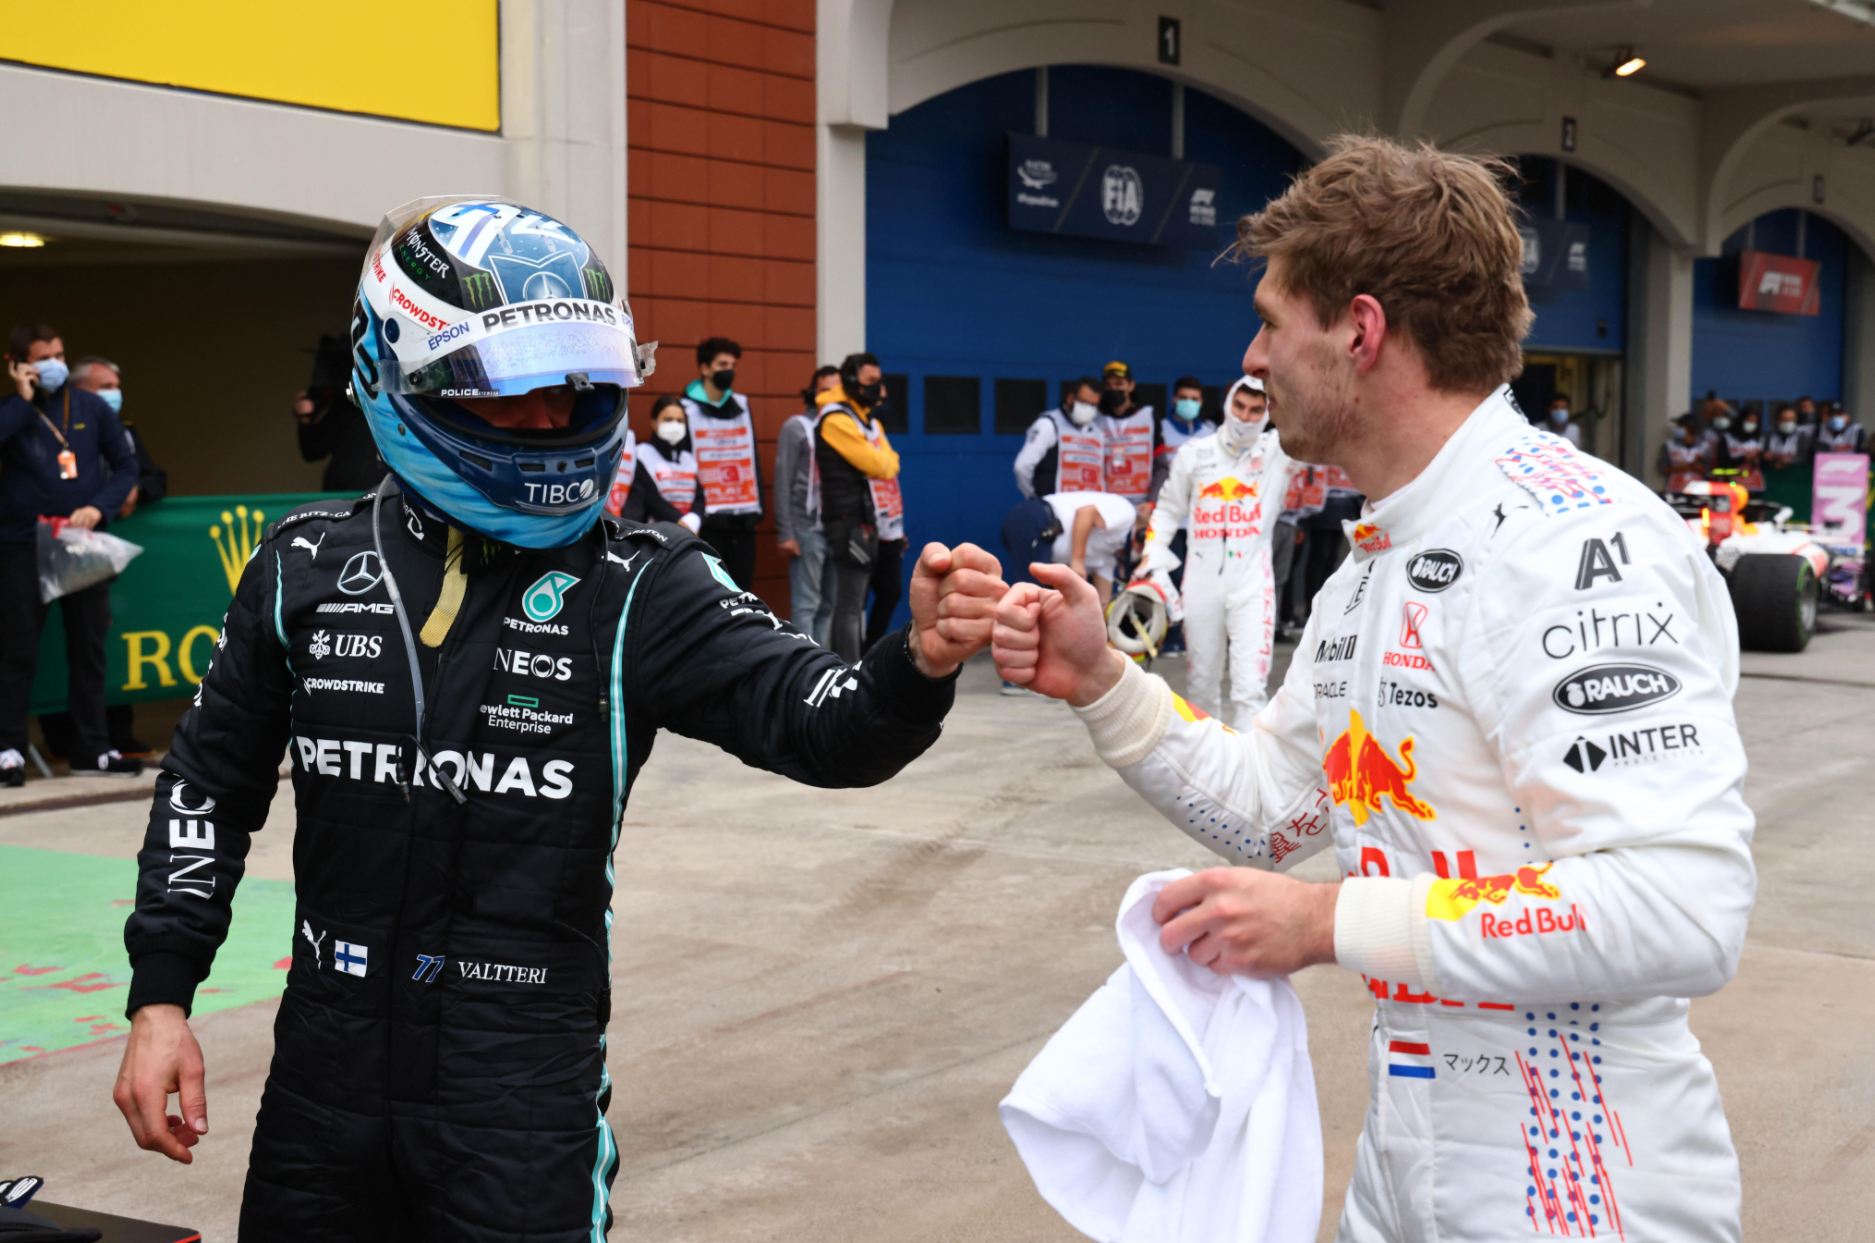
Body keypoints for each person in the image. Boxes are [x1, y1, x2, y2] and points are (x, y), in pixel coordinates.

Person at [111, 197, 1006, 1242]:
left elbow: (825, 723)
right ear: (399, 379)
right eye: (509, 394)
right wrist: (161, 996)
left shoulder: (640, 579)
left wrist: (919, 656)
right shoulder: (302, 563)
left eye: (574, 389)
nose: (549, 422)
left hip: (519, 1093)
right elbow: (208, 788)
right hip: (322, 1079)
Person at [993, 136, 1754, 1243]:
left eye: (1269, 320)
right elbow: (1272, 809)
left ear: (1360, 329)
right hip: (1404, 1167)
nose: (1252, 357)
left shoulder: (1576, 542)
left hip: (1586, 1191)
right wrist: (1104, 681)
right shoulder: (1373, 563)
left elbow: (1680, 905)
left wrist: (1327, 920)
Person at [0, 323, 143, 785]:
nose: (56, 364)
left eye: (60, 354)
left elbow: (126, 466)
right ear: (18, 365)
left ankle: (93, 748)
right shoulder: (12, 410)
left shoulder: (90, 408)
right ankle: (8, 751)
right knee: (17, 650)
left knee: (88, 647)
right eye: (44, 358)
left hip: (79, 542)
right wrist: (22, 400)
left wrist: (97, 509)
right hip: (23, 542)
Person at [1135, 376, 1292, 728]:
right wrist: (1152, 551)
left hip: (1253, 585)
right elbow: (1167, 510)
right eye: (1239, 406)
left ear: (1268, 411)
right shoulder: (1195, 453)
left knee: (1250, 688)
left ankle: (1248, 775)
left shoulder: (1278, 451)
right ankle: (1208, 773)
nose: (1245, 417)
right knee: (1201, 687)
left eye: (1256, 409)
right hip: (1201, 583)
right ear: (1226, 404)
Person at [814, 352, 905, 663]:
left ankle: (868, 658)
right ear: (852, 382)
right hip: (849, 519)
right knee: (851, 603)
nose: (876, 388)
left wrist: (883, 462)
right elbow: (877, 463)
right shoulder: (835, 419)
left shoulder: (870, 421)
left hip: (876, 519)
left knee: (888, 591)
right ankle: (849, 670)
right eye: (870, 382)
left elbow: (892, 464)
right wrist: (882, 462)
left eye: (878, 382)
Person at [681, 337, 763, 590]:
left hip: (743, 518)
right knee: (709, 592)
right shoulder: (684, 408)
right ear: (704, 368)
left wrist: (757, 510)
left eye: (733, 365)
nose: (729, 370)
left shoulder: (742, 404)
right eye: (722, 364)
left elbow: (752, 456)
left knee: (743, 594)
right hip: (708, 522)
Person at [776, 366, 841, 643]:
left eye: (836, 391)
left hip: (837, 529)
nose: (831, 397)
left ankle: (823, 666)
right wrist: (786, 532)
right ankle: (805, 670)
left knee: (829, 604)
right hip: (806, 529)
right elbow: (782, 479)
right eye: (825, 390)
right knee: (806, 604)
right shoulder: (797, 426)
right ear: (814, 393)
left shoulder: (844, 430)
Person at [295, 335, 385, 493]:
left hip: (380, 495)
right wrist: (305, 419)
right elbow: (313, 451)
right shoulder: (341, 409)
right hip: (341, 495)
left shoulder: (390, 405)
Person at [624, 395, 706, 532]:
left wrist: (694, 520)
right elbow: (649, 497)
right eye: (668, 419)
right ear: (654, 423)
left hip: (688, 533)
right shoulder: (641, 453)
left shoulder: (688, 459)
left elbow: (700, 496)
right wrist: (679, 521)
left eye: (680, 421)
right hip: (654, 533)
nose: (675, 424)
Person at [1014, 377, 1104, 498]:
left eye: (1093, 405)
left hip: (1088, 510)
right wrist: (1034, 496)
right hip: (1055, 509)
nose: (1088, 408)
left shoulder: (1097, 432)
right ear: (1070, 398)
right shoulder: (1049, 424)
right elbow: (1022, 466)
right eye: (1084, 403)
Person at [1095, 360, 1159, 506]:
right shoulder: (1095, 418)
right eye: (1108, 385)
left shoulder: (1148, 416)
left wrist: (1151, 502)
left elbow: (1161, 466)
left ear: (1131, 385)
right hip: (1105, 505)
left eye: (1119, 384)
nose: (1113, 389)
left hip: (1141, 505)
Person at [1659, 412, 1714, 491]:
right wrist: (1686, 467)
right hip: (1675, 491)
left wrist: (1698, 467)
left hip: (1698, 492)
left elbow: (1709, 470)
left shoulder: (1704, 447)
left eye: (1681, 426)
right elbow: (1663, 469)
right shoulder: (1670, 446)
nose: (1678, 428)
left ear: (1691, 428)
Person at [1717, 402, 1765, 491]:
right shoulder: (1728, 438)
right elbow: (1722, 464)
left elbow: (1763, 464)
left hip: (1755, 487)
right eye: (1749, 421)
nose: (1751, 424)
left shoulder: (1759, 438)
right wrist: (1743, 459)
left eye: (1754, 422)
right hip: (1733, 486)